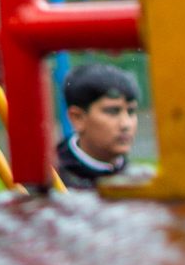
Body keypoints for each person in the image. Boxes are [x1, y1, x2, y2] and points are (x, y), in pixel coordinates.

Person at [54, 62, 142, 191]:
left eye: (131, 111)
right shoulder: (50, 183)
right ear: (77, 118)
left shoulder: (141, 178)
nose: (126, 124)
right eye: (112, 111)